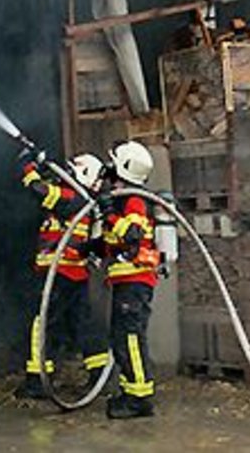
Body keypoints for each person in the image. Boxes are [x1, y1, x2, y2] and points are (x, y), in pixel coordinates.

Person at [16, 147, 111, 398]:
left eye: (70, 171)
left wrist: (28, 167)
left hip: (58, 274)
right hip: (74, 275)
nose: (65, 175)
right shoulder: (83, 200)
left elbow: (41, 192)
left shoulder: (74, 199)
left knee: (42, 323)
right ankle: (100, 374)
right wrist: (46, 166)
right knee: (82, 324)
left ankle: (38, 380)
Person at [98, 140, 160, 419]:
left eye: (113, 162)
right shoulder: (123, 198)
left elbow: (132, 235)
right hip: (127, 282)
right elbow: (115, 242)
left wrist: (108, 213)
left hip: (134, 282)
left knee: (130, 338)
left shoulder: (134, 200)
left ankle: (140, 399)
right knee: (121, 337)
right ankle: (130, 392)